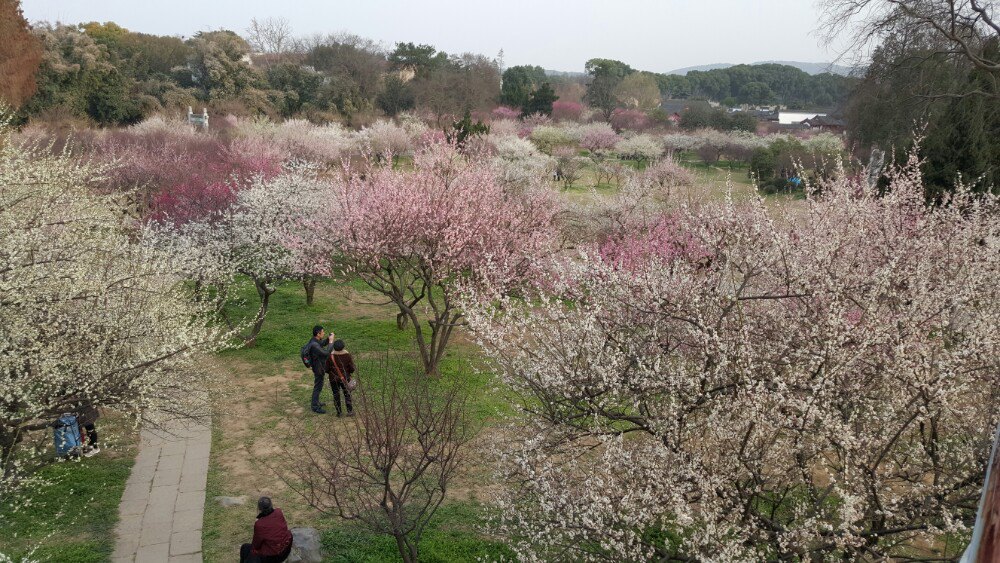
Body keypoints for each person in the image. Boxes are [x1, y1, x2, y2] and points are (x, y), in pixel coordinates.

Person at [239, 497, 293, 563]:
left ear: (259, 509)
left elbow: (256, 545)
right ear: (271, 505)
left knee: (245, 548)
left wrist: (258, 522)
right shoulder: (279, 511)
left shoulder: (259, 524)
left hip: (273, 557)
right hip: (286, 550)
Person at [305, 325, 336, 414]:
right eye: (322, 332)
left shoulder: (314, 341)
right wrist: (330, 342)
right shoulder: (314, 345)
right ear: (318, 334)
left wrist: (327, 339)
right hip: (318, 368)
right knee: (318, 387)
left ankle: (316, 402)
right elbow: (326, 353)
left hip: (318, 366)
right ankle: (315, 406)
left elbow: (321, 344)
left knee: (319, 385)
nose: (324, 333)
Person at [325, 339, 355, 418]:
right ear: (343, 347)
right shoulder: (347, 355)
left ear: (334, 347)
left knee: (336, 395)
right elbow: (352, 368)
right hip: (345, 378)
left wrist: (332, 373)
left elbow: (326, 369)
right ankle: (350, 411)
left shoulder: (330, 356)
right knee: (347, 394)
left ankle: (339, 413)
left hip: (333, 379)